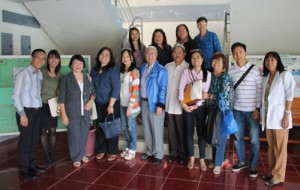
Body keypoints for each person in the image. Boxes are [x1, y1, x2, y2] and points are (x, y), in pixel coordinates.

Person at [261, 52, 296, 186]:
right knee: (271, 146)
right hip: (269, 117)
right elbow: (264, 99)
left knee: (280, 147)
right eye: (267, 60)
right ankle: (271, 172)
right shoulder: (267, 77)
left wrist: (286, 114)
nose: (269, 62)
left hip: (281, 117)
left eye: (272, 59)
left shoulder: (284, 75)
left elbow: (289, 96)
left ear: (278, 61)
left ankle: (279, 176)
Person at [228, 42, 263, 178]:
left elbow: (259, 90)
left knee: (254, 139)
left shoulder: (254, 70)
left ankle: (253, 165)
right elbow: (231, 90)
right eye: (235, 53)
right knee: (237, 138)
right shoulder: (231, 70)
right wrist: (230, 107)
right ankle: (242, 161)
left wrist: (257, 108)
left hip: (252, 111)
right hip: (237, 110)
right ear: (232, 55)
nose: (238, 55)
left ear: (245, 53)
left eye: (240, 52)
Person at [13, 48, 47, 179]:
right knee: (25, 141)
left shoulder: (39, 74)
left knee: (33, 140)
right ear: (31, 58)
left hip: (36, 110)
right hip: (26, 111)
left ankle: (32, 165)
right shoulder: (23, 74)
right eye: (38, 57)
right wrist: (22, 114)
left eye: (43, 58)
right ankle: (23, 169)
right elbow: (16, 96)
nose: (40, 60)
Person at [58, 54, 95, 168]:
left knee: (83, 134)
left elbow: (93, 93)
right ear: (71, 65)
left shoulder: (87, 77)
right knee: (74, 135)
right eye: (75, 63)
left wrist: (90, 101)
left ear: (83, 64)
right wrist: (63, 115)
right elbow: (61, 98)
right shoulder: (66, 79)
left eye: (80, 63)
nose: (78, 65)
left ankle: (82, 154)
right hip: (72, 112)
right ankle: (76, 157)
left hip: (85, 112)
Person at [179, 49, 211, 170]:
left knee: (201, 133)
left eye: (198, 57)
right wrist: (183, 104)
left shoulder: (208, 74)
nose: (196, 60)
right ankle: (191, 157)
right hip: (187, 107)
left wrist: (196, 105)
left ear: (202, 59)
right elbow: (181, 88)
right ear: (190, 60)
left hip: (201, 108)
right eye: (193, 58)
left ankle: (202, 159)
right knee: (189, 132)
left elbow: (205, 93)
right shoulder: (186, 72)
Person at [91, 47, 121, 161]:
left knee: (111, 127)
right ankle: (101, 150)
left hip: (111, 103)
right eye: (102, 54)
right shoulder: (94, 70)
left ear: (110, 57)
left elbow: (116, 89)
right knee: (100, 127)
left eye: (107, 54)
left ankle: (112, 151)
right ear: (98, 56)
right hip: (98, 103)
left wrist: (110, 105)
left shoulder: (113, 71)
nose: (104, 56)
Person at [140, 46, 168, 164]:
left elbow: (163, 88)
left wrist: (160, 104)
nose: (150, 56)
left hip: (155, 103)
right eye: (147, 53)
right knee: (146, 129)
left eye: (152, 54)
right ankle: (150, 151)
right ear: (145, 55)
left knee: (156, 129)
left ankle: (158, 154)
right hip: (144, 102)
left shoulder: (161, 70)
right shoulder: (142, 67)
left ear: (156, 56)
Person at [206, 52, 232, 175]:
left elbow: (224, 95)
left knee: (220, 137)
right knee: (214, 135)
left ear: (223, 65)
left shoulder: (225, 77)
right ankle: (217, 160)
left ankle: (218, 163)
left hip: (222, 110)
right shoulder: (210, 76)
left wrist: (209, 96)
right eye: (214, 61)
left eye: (219, 61)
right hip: (212, 110)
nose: (216, 63)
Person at [165, 44, 189, 164]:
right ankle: (173, 153)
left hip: (181, 105)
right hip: (169, 104)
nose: (177, 54)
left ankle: (183, 154)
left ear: (184, 54)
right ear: (172, 54)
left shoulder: (188, 67)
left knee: (181, 131)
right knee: (171, 131)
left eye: (180, 52)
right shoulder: (167, 66)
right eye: (175, 52)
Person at [40, 49, 63, 167]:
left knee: (53, 130)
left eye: (56, 58)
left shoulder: (60, 75)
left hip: (53, 105)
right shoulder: (42, 72)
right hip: (42, 104)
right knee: (43, 131)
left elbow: (61, 90)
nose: (54, 60)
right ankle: (47, 156)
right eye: (51, 58)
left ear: (59, 60)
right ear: (48, 59)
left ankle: (52, 153)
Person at [119, 49, 141, 161]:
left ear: (132, 58)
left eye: (127, 56)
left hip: (131, 105)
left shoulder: (135, 71)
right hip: (122, 104)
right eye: (123, 56)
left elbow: (136, 90)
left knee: (131, 126)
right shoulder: (122, 72)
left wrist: (131, 105)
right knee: (125, 126)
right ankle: (128, 146)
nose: (125, 58)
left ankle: (133, 148)